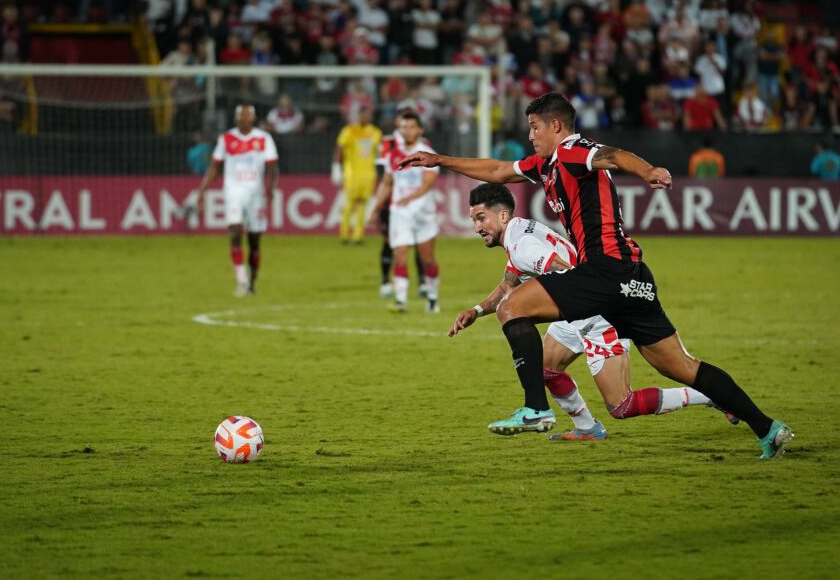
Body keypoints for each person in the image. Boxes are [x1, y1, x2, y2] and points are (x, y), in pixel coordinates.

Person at [399, 92, 792, 459]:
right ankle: (768, 428)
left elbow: (613, 155)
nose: (530, 135)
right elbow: (499, 170)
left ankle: (536, 409)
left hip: (605, 269)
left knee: (513, 307)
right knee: (681, 367)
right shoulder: (546, 165)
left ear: (555, 126)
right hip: (632, 276)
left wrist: (647, 170)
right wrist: (440, 160)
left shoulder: (572, 150)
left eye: (535, 127)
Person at [451, 183, 727, 440]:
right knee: (545, 367)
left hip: (596, 314)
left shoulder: (523, 245)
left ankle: (712, 395)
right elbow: (509, 283)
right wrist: (476, 310)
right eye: (474, 219)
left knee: (622, 405)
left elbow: (561, 268)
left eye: (481, 218)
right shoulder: (519, 231)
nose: (477, 227)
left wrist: (576, 297)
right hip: (574, 313)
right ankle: (587, 428)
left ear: (502, 215)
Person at [194, 105, 279, 297]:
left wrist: (271, 189)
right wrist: (202, 191)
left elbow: (273, 166)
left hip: (256, 194)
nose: (244, 119)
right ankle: (241, 280)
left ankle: (252, 282)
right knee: (235, 230)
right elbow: (215, 167)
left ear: (254, 118)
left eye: (248, 115)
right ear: (236, 118)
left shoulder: (264, 138)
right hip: (233, 191)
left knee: (254, 240)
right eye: (241, 115)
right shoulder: (226, 139)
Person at [369, 112, 440, 313]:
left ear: (420, 130)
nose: (407, 130)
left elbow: (428, 183)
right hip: (400, 214)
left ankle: (433, 298)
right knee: (400, 255)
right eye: (403, 127)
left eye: (411, 126)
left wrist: (410, 197)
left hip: (423, 214)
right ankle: (401, 301)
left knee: (427, 258)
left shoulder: (428, 154)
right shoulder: (393, 155)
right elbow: (387, 183)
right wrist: (375, 208)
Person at [332, 106, 381, 245]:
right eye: (364, 115)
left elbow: (378, 152)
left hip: (368, 173)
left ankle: (358, 236)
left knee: (362, 205)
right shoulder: (349, 130)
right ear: (359, 116)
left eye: (368, 115)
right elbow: (340, 148)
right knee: (349, 204)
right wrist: (336, 167)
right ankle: (344, 234)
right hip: (352, 173)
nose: (366, 117)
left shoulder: (375, 132)